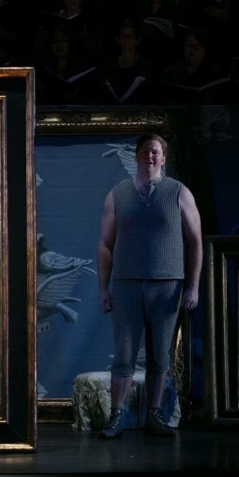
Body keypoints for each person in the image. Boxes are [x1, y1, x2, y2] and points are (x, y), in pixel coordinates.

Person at [96, 134, 203, 439]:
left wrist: (193, 286)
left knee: (159, 354)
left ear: (163, 158)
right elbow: (105, 245)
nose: (150, 156)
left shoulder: (179, 192)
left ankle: (155, 414)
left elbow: (195, 242)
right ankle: (117, 415)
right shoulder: (117, 194)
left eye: (155, 152)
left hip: (167, 286)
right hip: (127, 284)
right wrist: (103, 288)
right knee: (124, 354)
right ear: (137, 156)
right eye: (145, 151)